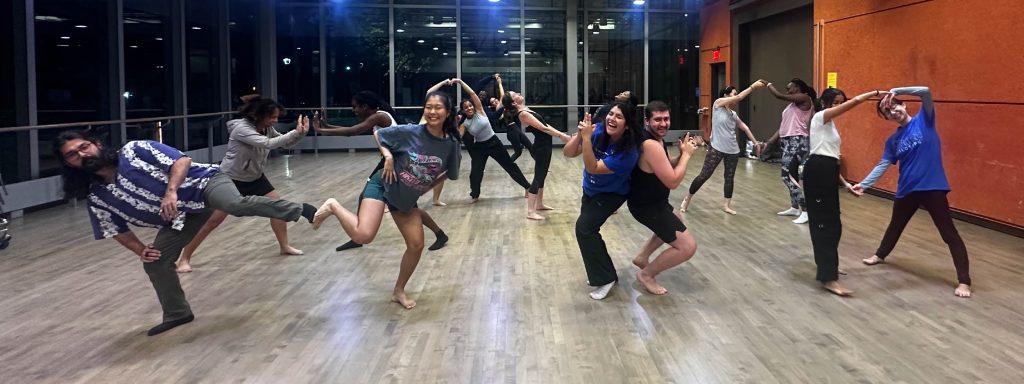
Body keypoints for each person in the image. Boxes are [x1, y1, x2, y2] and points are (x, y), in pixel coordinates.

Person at [54, 128, 319, 335]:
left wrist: (170, 191)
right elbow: (115, 229)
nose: (82, 155)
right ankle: (177, 313)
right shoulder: (97, 197)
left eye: (84, 147)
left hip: (204, 183)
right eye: (72, 155)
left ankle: (300, 210)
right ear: (69, 164)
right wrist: (141, 250)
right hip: (181, 217)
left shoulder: (135, 150)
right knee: (156, 264)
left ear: (97, 145)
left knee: (233, 204)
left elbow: (181, 161)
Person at [311, 91, 462, 309]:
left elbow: (450, 172)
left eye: (438, 107)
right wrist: (388, 156)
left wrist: (425, 188)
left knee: (416, 245)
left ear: (448, 112)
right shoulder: (410, 131)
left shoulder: (450, 145)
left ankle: (398, 291)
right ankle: (333, 205)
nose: (432, 112)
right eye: (428, 107)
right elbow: (380, 136)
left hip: (405, 199)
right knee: (364, 235)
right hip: (383, 185)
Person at [854, 86, 972, 298]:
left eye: (894, 107)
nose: (893, 112)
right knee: (895, 226)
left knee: (949, 234)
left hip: (932, 188)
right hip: (907, 189)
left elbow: (925, 91)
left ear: (903, 104)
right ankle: (880, 255)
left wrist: (893, 91)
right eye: (888, 112)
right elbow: (883, 164)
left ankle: (964, 281)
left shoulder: (925, 120)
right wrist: (864, 184)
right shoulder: (893, 141)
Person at [175, 96, 308, 273]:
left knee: (277, 207)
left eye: (276, 117)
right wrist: (295, 132)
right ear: (258, 116)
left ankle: (284, 246)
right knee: (212, 221)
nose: (275, 121)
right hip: (230, 179)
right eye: (272, 117)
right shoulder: (241, 129)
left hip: (255, 177)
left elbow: (281, 143)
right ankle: (184, 259)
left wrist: (300, 134)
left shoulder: (265, 128)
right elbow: (268, 144)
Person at [314, 91, 449, 252]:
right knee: (398, 205)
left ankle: (439, 234)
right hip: (391, 162)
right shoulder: (377, 117)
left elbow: (352, 131)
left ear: (365, 106)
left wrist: (321, 131)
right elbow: (351, 129)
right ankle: (439, 234)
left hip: (395, 164)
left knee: (407, 208)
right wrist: (325, 126)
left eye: (356, 107)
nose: (354, 110)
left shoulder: (379, 116)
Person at [803, 87, 884, 297]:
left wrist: (846, 184)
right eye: (836, 102)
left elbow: (832, 157)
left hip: (828, 171)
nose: (839, 106)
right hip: (818, 172)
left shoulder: (830, 127)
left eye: (841, 102)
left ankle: (829, 265)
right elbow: (853, 103)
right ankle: (828, 278)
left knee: (835, 225)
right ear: (825, 103)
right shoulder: (820, 117)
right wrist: (871, 93)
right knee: (823, 225)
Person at [563, 103, 642, 300]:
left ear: (628, 125)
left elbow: (592, 167)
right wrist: (581, 135)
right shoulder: (598, 131)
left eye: (619, 117)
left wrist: (588, 139)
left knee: (584, 228)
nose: (611, 118)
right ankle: (604, 274)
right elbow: (568, 152)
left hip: (611, 194)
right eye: (611, 114)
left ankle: (605, 278)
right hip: (590, 189)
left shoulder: (628, 153)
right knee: (587, 232)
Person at [627, 101, 700, 295]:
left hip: (655, 202)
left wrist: (681, 154)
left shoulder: (656, 140)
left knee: (676, 217)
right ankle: (647, 275)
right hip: (647, 206)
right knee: (687, 247)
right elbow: (673, 182)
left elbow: (664, 165)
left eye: (666, 119)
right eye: (657, 119)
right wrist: (686, 156)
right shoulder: (650, 144)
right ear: (647, 121)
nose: (663, 123)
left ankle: (642, 257)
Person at [680, 82, 764, 215]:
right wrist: (753, 87)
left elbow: (745, 127)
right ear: (726, 95)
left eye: (736, 94)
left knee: (729, 178)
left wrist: (756, 143)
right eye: (733, 93)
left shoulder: (733, 114)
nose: (735, 96)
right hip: (716, 148)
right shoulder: (717, 104)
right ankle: (687, 199)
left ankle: (726, 205)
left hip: (733, 150)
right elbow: (739, 98)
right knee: (704, 175)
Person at [450, 78, 531, 201]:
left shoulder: (480, 111)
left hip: (494, 143)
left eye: (470, 106)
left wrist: (460, 82)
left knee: (509, 165)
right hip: (480, 148)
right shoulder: (464, 124)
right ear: (463, 110)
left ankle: (528, 187)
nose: (469, 108)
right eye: (466, 107)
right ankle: (475, 195)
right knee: (475, 173)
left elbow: (472, 93)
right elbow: (457, 137)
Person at [502, 85, 573, 220]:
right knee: (539, 176)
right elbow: (543, 129)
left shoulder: (526, 110)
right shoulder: (523, 114)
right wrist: (562, 137)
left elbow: (545, 125)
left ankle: (539, 204)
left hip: (544, 145)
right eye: (515, 94)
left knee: (542, 174)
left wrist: (561, 135)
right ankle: (530, 211)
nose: (518, 93)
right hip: (541, 147)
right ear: (513, 102)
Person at [762, 79, 819, 224]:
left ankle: (806, 211)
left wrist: (767, 84)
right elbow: (782, 127)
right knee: (793, 175)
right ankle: (795, 207)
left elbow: (779, 96)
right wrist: (769, 142)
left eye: (790, 88)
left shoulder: (805, 98)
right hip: (788, 141)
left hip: (798, 141)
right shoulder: (792, 106)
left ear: (797, 87)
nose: (787, 90)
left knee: (787, 176)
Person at [494, 74, 532, 162]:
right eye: (493, 101)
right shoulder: (499, 109)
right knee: (518, 152)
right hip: (512, 132)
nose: (496, 101)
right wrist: (499, 84)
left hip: (517, 130)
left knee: (530, 147)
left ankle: (541, 165)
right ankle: (508, 164)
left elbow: (503, 96)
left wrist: (500, 83)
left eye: (496, 100)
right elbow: (502, 95)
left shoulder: (506, 107)